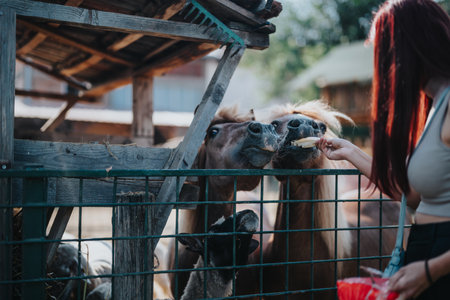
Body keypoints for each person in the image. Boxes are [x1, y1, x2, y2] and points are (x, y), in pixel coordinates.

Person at [315, 0, 450, 299]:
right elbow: (411, 197)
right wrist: (352, 153)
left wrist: (433, 269)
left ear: (407, 48)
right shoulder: (434, 108)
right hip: (426, 254)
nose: (381, 66)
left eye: (384, 52)